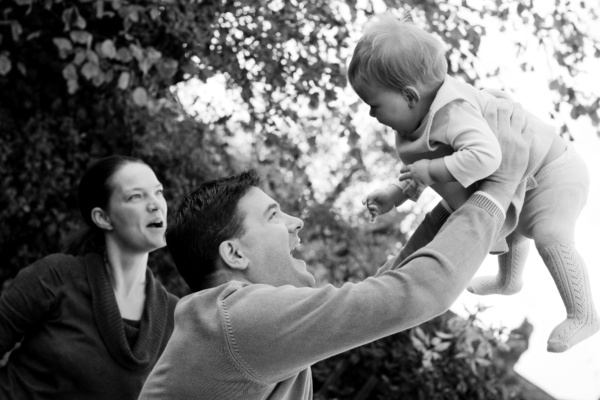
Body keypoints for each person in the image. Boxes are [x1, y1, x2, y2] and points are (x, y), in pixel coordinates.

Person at [138, 99, 527, 399]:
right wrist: (498, 188)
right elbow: (415, 293)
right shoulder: (238, 323)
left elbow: (389, 290)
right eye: (274, 216)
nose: (296, 222)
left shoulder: (249, 332)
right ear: (234, 254)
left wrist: (455, 202)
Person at [349, 13, 599, 352]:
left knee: (549, 233)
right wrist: (395, 194)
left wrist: (432, 172)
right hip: (520, 179)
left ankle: (583, 313)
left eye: (373, 105)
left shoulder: (454, 112)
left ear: (409, 96)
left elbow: (486, 157)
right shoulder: (417, 123)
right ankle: (509, 281)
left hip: (552, 172)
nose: (371, 114)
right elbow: (427, 167)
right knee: (508, 222)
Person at [0, 156, 179, 400]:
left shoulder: (175, 315)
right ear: (103, 218)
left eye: (158, 192)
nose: (156, 205)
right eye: (136, 196)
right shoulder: (54, 277)